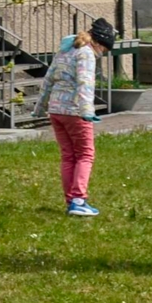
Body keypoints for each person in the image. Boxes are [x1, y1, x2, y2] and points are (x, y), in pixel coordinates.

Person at [36, 18, 115, 217]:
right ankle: (79, 200)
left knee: (68, 156)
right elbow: (84, 82)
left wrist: (40, 107)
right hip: (75, 111)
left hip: (56, 110)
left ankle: (70, 200)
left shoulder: (65, 49)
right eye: (104, 49)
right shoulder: (86, 53)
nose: (102, 53)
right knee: (85, 155)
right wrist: (87, 110)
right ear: (98, 42)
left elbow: (48, 79)